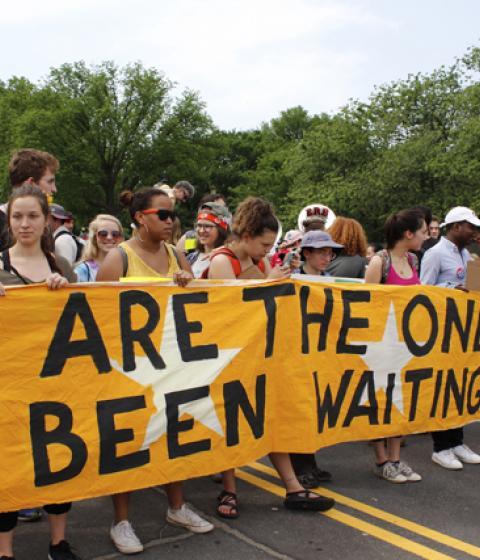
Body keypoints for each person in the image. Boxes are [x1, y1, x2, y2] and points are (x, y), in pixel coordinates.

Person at [97, 187, 213, 554]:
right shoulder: (119, 259)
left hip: (175, 364)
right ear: (139, 217)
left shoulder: (178, 254)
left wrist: (187, 284)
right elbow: (96, 317)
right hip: (130, 370)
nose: (170, 221)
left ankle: (177, 507)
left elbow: (199, 305)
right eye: (162, 214)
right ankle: (122, 521)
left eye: (173, 215)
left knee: (175, 435)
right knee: (129, 442)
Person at [207, 197, 335, 518]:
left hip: (258, 354)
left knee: (271, 416)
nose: (268, 249)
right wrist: (268, 278)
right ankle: (229, 490)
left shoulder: (259, 261)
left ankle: (292, 487)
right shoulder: (223, 261)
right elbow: (233, 308)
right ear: (247, 235)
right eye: (264, 243)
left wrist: (275, 278)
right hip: (227, 357)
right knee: (231, 423)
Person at [0, 184, 81, 560]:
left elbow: (87, 321)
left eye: (33, 216)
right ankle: (5, 550)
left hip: (54, 383)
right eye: (17, 216)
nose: (24, 224)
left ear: (46, 221)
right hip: (8, 385)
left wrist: (65, 292)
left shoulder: (61, 266)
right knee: (7, 464)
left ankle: (57, 541)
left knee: (59, 459)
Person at [365, 208, 428, 483]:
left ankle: (395, 458)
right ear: (408, 234)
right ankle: (381, 459)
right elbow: (365, 304)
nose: (426, 236)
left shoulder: (413, 260)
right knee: (380, 400)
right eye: (423, 231)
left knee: (401, 400)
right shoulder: (380, 262)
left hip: (405, 345)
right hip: (381, 346)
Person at [420, 206, 480, 470]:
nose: (474, 232)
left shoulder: (465, 253)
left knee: (458, 388)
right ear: (456, 227)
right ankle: (441, 447)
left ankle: (456, 441)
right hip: (442, 332)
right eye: (471, 227)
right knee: (443, 388)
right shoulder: (435, 254)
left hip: (462, 334)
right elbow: (423, 291)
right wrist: (451, 288)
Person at [288, 230, 344, 487]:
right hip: (298, 353)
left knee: (313, 412)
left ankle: (310, 463)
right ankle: (300, 467)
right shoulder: (294, 280)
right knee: (299, 411)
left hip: (321, 354)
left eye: (330, 252)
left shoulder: (330, 279)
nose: (327, 257)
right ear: (307, 253)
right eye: (321, 252)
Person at [0, 148, 59, 252]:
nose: (54, 189)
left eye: (33, 216)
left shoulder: (44, 227)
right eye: (50, 182)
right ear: (30, 184)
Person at [74, 214, 123, 282]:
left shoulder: (129, 266)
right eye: (103, 234)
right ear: (94, 238)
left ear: (120, 238)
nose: (109, 237)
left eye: (115, 234)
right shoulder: (83, 270)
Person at [186, 204, 231, 277]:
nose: (201, 230)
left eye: (207, 226)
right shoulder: (191, 257)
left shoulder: (229, 257)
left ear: (221, 230)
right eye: (199, 225)